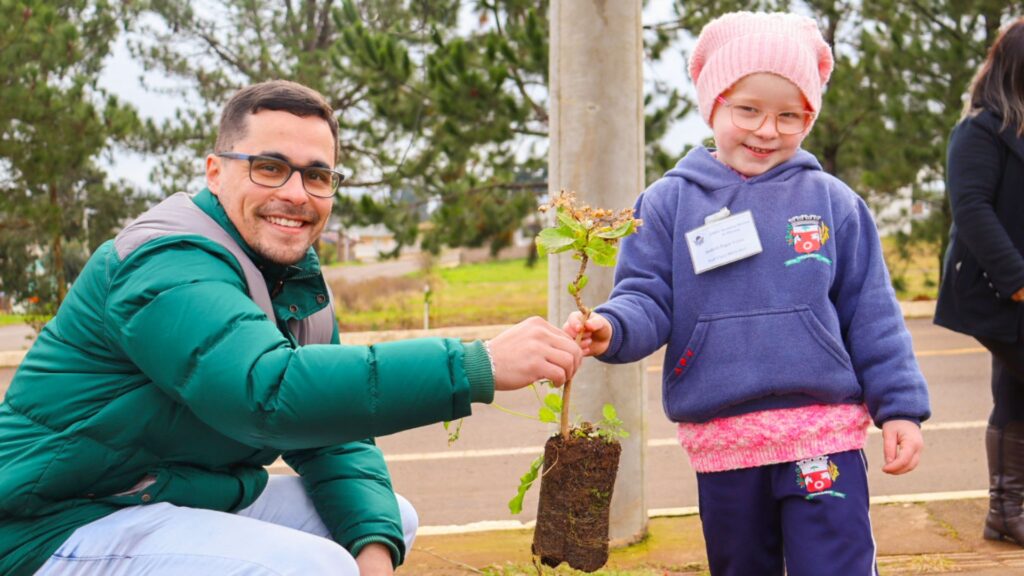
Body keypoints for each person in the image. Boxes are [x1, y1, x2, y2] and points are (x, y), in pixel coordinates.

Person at [0, 79, 583, 576]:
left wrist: (374, 553)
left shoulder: (289, 279)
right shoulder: (166, 261)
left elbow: (331, 433)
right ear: (215, 171)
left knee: (387, 522)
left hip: (165, 493)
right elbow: (268, 392)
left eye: (317, 176)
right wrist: (474, 364)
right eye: (270, 167)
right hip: (56, 519)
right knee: (315, 567)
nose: (296, 194)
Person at [564, 12, 931, 575]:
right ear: (712, 106)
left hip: (821, 435)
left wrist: (901, 408)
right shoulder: (667, 204)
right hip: (724, 441)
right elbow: (647, 297)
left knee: (836, 565)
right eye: (748, 110)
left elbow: (872, 314)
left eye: (790, 115)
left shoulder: (834, 202)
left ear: (811, 116)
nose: (767, 130)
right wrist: (612, 326)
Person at [934, 17, 1024, 546]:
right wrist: (1017, 282)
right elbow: (971, 210)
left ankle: (1005, 515)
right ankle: (1007, 511)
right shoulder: (979, 129)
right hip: (995, 288)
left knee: (1015, 390)